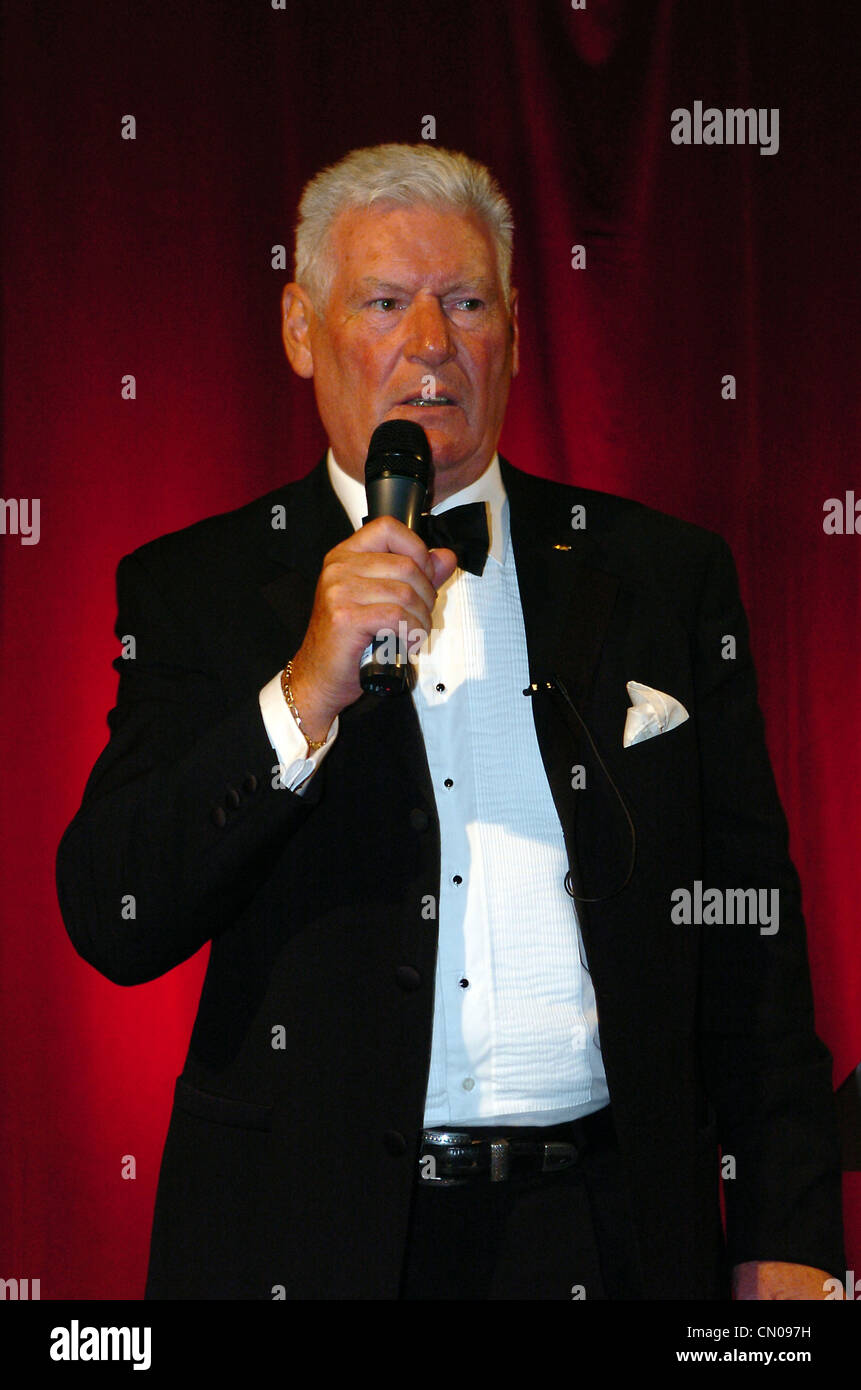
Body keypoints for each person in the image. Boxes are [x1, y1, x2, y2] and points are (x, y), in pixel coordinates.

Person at [56, 143, 844, 1300]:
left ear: (513, 330)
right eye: (385, 302)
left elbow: (752, 935)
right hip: (310, 1240)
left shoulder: (665, 576)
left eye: (466, 301)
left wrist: (792, 1233)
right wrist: (299, 696)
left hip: (612, 1229)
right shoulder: (196, 588)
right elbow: (117, 912)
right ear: (300, 326)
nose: (431, 342)